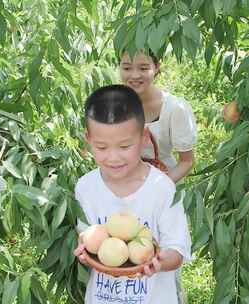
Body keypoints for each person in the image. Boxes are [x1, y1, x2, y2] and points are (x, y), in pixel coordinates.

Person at [73, 84, 192, 304]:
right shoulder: (85, 188)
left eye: (125, 146)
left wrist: (157, 261)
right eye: (101, 147)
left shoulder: (162, 188)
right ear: (88, 139)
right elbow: (88, 239)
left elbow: (177, 251)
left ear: (144, 137)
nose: (113, 157)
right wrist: (84, 251)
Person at [118, 51, 197, 183]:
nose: (135, 75)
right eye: (127, 68)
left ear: (156, 67)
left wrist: (156, 190)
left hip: (164, 184)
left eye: (143, 68)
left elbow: (187, 161)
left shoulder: (174, 108)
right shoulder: (112, 104)